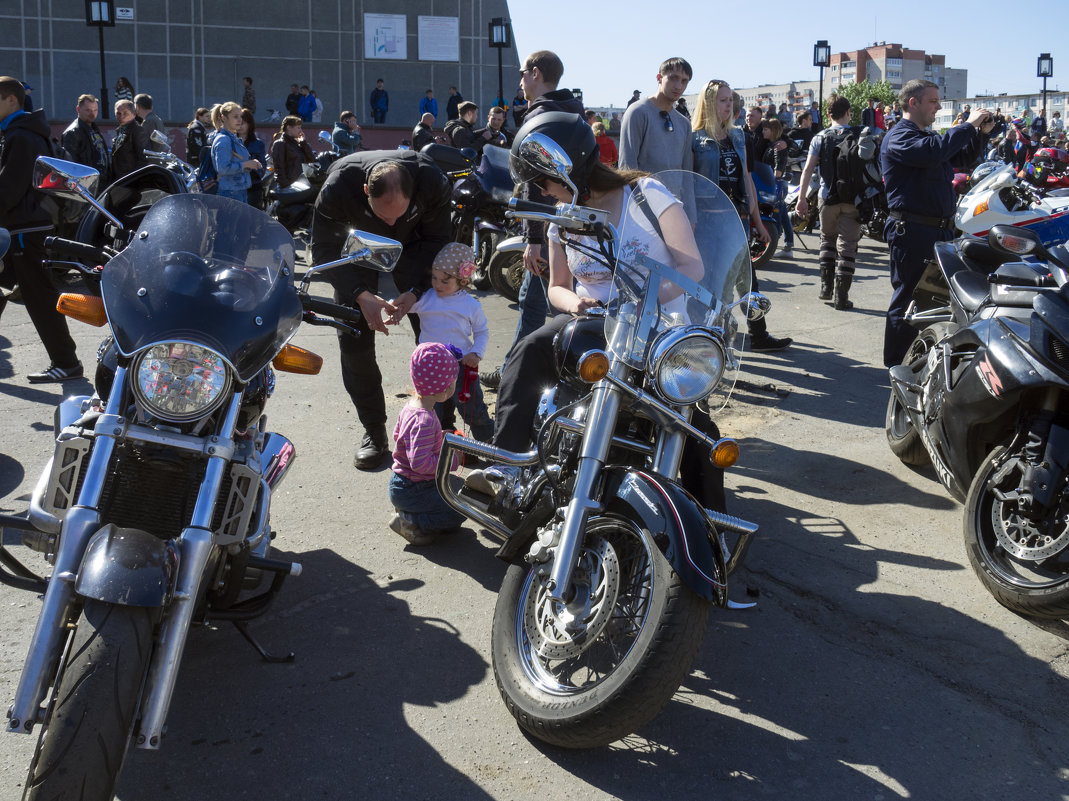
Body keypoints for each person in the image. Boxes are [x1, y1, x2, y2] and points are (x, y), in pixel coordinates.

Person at [465, 113, 725, 513]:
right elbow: (556, 288)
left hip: (658, 329)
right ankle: (507, 467)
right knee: (528, 350)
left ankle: (708, 528)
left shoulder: (647, 195)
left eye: (544, 180)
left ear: (572, 168)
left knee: (696, 429)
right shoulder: (562, 216)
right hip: (594, 324)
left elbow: (693, 268)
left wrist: (646, 301)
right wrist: (576, 304)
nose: (541, 191)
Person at [309, 151, 452, 470]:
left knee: (438, 339)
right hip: (355, 251)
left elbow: (439, 240)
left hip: (416, 249)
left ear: (413, 194)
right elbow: (322, 250)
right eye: (383, 215)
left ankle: (442, 427)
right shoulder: (339, 186)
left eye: (399, 214)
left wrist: (415, 290)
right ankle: (374, 433)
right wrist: (360, 295)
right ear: (364, 193)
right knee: (354, 343)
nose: (391, 223)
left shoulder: (432, 183)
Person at [478, 49, 584, 391]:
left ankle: (523, 376)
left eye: (524, 74)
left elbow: (534, 181)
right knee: (549, 302)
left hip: (549, 226)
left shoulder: (542, 116)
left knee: (541, 306)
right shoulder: (572, 112)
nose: (520, 81)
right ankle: (528, 370)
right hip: (571, 222)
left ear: (536, 74)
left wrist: (533, 237)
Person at [881, 79, 994, 367]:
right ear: (913, 102)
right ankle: (896, 366)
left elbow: (961, 157)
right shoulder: (900, 136)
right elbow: (934, 151)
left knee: (931, 299)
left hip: (936, 229)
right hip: (913, 229)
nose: (939, 107)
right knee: (908, 299)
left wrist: (981, 133)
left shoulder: (925, 137)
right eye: (933, 101)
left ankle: (917, 360)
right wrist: (968, 125)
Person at [691, 78, 791, 353]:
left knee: (747, 277)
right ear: (709, 104)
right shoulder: (695, 138)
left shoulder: (738, 136)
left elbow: (747, 179)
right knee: (715, 284)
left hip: (738, 218)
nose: (729, 105)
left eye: (730, 100)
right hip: (708, 221)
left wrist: (758, 222)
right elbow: (688, 183)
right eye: (723, 100)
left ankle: (757, 334)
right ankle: (712, 340)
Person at [0, 76, 82, 382]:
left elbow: (9, 190)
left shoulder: (21, 136)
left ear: (11, 100)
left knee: (40, 298)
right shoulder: (24, 132)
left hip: (24, 229)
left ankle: (67, 362)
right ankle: (66, 359)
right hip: (22, 228)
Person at [411, 243, 492, 442]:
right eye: (434, 278)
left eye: (445, 280)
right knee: (432, 412)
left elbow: (482, 331)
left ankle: (491, 444)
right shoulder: (426, 298)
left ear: (462, 281)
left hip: (462, 366)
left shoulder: (470, 305)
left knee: (473, 410)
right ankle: (434, 449)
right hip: (432, 367)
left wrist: (476, 353)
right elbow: (404, 306)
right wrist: (391, 309)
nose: (437, 284)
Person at [388, 342, 464, 545]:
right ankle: (410, 521)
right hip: (413, 488)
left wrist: (439, 438)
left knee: (460, 490)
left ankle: (412, 510)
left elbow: (400, 438)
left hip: (405, 483)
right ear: (445, 389)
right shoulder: (425, 420)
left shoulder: (413, 407)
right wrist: (451, 462)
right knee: (462, 508)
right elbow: (419, 464)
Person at [796, 95, 863, 309]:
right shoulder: (859, 135)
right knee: (848, 247)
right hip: (853, 199)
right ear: (848, 112)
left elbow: (807, 170)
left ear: (827, 114)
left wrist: (801, 199)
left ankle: (825, 288)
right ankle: (841, 297)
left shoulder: (820, 137)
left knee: (827, 240)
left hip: (827, 197)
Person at [619, 57, 693, 178]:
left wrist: (688, 198)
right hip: (644, 195)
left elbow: (687, 174)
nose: (679, 86)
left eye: (684, 81)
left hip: (676, 197)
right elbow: (627, 167)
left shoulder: (684, 123)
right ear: (659, 78)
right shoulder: (637, 112)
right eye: (673, 78)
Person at [210, 102, 259, 203]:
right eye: (235, 117)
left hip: (238, 191)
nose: (240, 120)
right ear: (223, 117)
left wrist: (250, 164)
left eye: (240, 116)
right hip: (230, 193)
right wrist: (246, 164)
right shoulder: (224, 140)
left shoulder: (233, 138)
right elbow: (223, 168)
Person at [760, 118, 795, 257]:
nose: (763, 131)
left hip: (777, 184)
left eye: (766, 129)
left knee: (777, 214)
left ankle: (775, 245)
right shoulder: (772, 144)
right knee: (783, 213)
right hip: (778, 183)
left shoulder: (778, 146)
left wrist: (773, 182)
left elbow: (778, 169)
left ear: (773, 131)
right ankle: (788, 246)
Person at [61, 93, 111, 180]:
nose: (92, 113)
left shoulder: (94, 129)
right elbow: (71, 166)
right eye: (88, 110)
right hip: (88, 183)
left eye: (95, 110)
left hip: (102, 181)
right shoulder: (73, 132)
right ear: (78, 109)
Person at [269, 115, 314, 189]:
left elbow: (312, 160)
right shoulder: (280, 144)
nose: (301, 131)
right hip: (290, 187)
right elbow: (279, 168)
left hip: (302, 185)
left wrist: (303, 143)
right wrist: (286, 186)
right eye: (298, 127)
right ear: (289, 127)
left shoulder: (298, 144)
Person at [110, 99, 148, 179]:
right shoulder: (120, 130)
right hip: (119, 181)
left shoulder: (138, 131)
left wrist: (133, 180)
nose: (121, 116)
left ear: (134, 114)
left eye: (125, 113)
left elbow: (143, 160)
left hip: (130, 182)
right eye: (118, 113)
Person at [238, 107, 267, 208]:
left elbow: (262, 167)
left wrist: (251, 168)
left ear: (249, 124)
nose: (240, 126)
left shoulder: (258, 143)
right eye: (238, 123)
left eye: (243, 123)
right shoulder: (229, 141)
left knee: (251, 219)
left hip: (253, 187)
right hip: (234, 187)